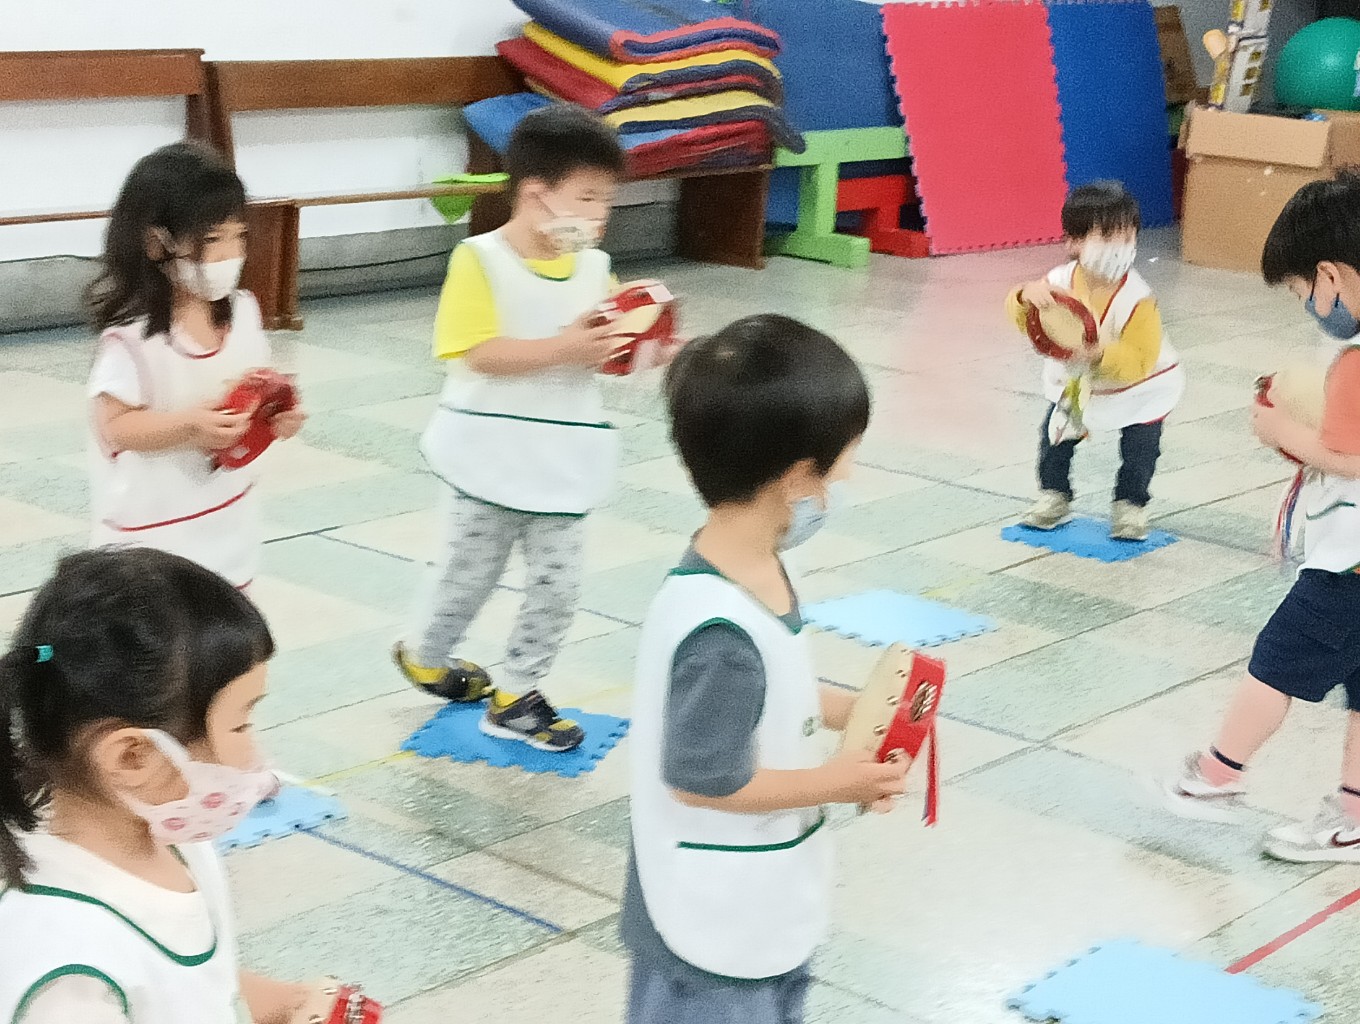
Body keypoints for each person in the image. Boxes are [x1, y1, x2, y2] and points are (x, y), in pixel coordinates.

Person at [621, 315, 910, 1024]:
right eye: (843, 461)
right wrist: (836, 782)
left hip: (759, 897)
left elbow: (774, 692)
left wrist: (860, 710)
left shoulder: (747, 564)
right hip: (708, 934)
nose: (847, 478)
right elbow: (704, 779)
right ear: (797, 478)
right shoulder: (719, 634)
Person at [0, 547, 334, 1023]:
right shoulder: (69, 977)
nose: (258, 757)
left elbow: (198, 987)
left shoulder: (168, 831)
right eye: (240, 725)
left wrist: (288, 1003)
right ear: (133, 757)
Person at [393, 104, 628, 753]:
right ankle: (426, 655)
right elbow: (476, 352)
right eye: (587, 198)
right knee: (469, 574)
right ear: (534, 194)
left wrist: (643, 345)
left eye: (607, 201)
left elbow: (604, 348)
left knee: (559, 584)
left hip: (562, 458)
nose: (599, 216)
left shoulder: (595, 267)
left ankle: (518, 693)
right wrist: (563, 347)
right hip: (489, 455)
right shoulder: (481, 259)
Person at [1163, 170, 1360, 862]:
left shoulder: (1354, 362)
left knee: (1275, 663)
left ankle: (1215, 774)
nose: (1309, 306)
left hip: (1348, 566)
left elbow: (1348, 458)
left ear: (1331, 275)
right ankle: (1353, 816)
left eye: (1303, 292)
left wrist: (1283, 431)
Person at [87, 141, 305, 591]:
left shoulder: (243, 312)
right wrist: (187, 426)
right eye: (212, 240)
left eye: (238, 237)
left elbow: (253, 395)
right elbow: (116, 427)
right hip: (152, 540)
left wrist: (277, 416)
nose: (230, 254)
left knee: (228, 630)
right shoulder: (132, 338)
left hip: (228, 522)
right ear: (157, 243)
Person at [1005, 181, 1184, 541]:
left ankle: (1130, 504)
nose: (1120, 247)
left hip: (1140, 387)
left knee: (1140, 449)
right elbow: (1027, 320)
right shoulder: (1058, 282)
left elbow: (1140, 359)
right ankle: (1054, 495)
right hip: (1077, 380)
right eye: (1107, 237)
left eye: (1127, 237)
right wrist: (1024, 295)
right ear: (1074, 241)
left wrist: (1102, 353)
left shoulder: (1138, 299)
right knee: (1055, 438)